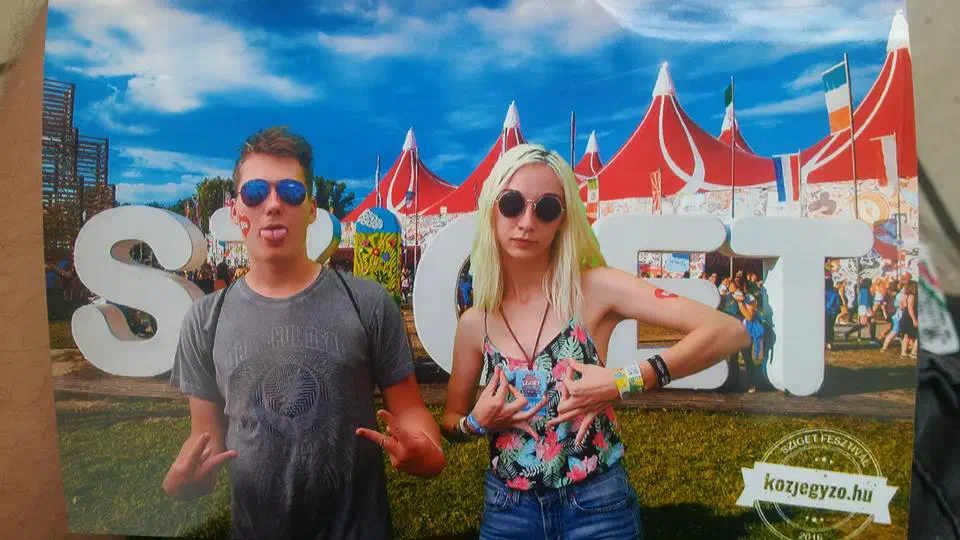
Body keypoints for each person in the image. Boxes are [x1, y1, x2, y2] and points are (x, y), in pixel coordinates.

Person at [439, 144, 750, 539]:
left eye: (547, 208)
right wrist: (474, 423)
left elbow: (728, 331)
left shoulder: (594, 289)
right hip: (508, 511)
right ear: (491, 210)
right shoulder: (475, 323)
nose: (527, 221)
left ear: (563, 221)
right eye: (512, 203)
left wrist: (625, 380)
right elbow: (450, 422)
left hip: (596, 505)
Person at [164, 126, 445, 539]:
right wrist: (182, 481)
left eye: (291, 192)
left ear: (312, 208)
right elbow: (204, 438)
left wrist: (426, 448)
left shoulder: (366, 303)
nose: (273, 205)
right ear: (237, 209)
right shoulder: (206, 320)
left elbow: (410, 409)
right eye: (256, 192)